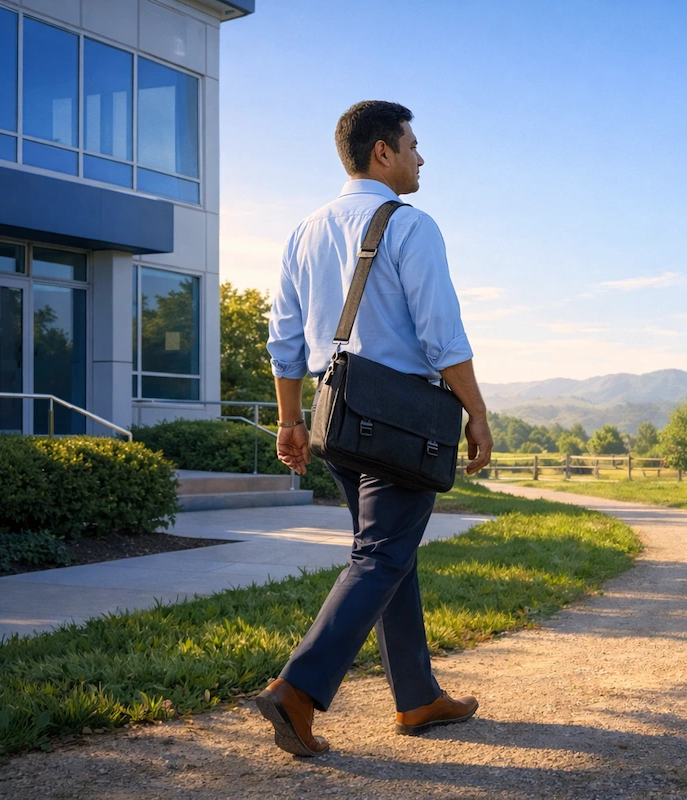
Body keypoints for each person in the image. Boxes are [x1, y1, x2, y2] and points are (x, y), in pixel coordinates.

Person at [258, 100, 494, 757]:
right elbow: (441, 335)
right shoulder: (410, 226)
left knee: (389, 552)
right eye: (412, 145)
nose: (421, 157)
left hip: (337, 420)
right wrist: (475, 410)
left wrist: (290, 420)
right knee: (382, 553)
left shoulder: (303, 232)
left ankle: (417, 696)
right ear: (381, 153)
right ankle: (297, 691)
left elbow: (282, 342)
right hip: (402, 419)